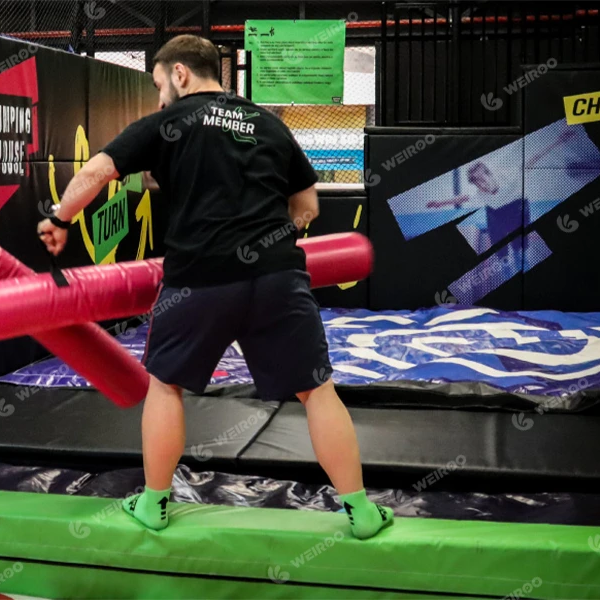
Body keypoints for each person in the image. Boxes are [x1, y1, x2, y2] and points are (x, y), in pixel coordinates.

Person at [38, 35, 392, 539]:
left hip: (198, 280)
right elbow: (308, 205)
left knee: (165, 386)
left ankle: (154, 504)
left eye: (160, 85)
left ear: (180, 74)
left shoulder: (168, 122)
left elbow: (97, 169)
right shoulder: (268, 122)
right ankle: (361, 512)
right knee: (317, 391)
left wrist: (60, 217)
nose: (160, 98)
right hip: (277, 276)